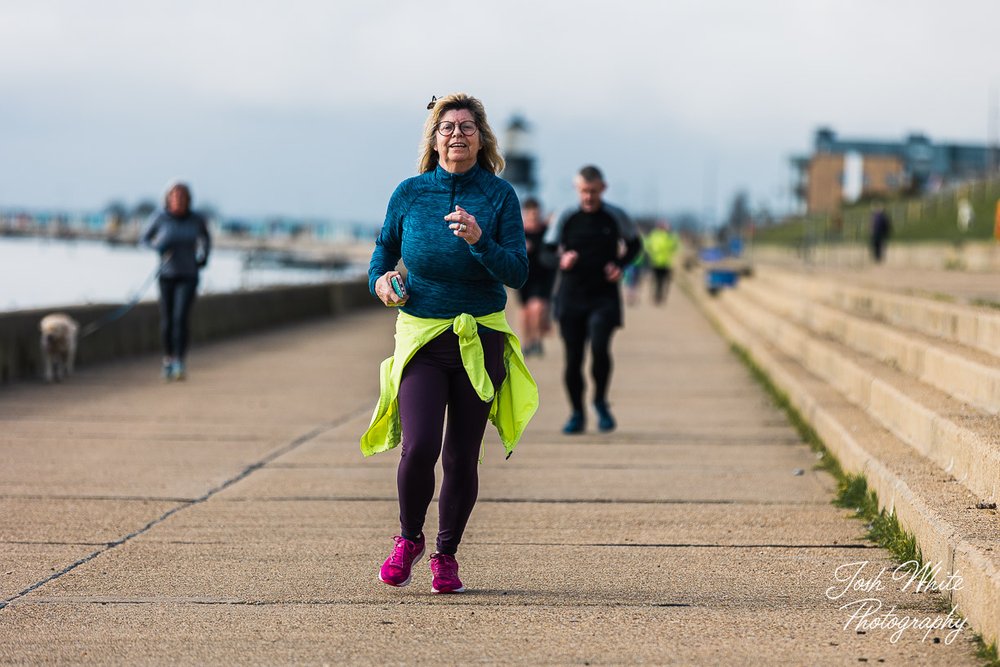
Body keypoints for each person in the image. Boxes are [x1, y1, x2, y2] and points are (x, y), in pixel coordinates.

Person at [361, 93, 538, 595]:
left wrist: (481, 240)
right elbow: (383, 252)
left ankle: (445, 554)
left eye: (466, 127)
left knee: (460, 456)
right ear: (434, 139)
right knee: (418, 448)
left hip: (480, 339)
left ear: (481, 138)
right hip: (423, 335)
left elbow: (518, 273)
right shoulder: (411, 193)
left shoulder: (499, 196)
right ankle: (408, 538)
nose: (456, 134)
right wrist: (380, 281)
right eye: (447, 127)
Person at [544, 165, 642, 434]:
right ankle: (576, 412)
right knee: (573, 359)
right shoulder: (566, 215)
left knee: (600, 348)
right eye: (584, 191)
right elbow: (546, 251)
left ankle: (599, 401)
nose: (588, 197)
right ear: (577, 189)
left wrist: (620, 265)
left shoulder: (615, 216)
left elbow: (635, 244)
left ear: (603, 188)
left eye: (594, 191)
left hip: (604, 296)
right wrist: (560, 260)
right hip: (571, 296)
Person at [142, 181, 210, 381]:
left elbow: (206, 239)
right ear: (168, 199)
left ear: (188, 199)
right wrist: (158, 247)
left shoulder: (196, 219)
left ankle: (180, 361)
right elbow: (144, 239)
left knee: (181, 318)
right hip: (166, 274)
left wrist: (203, 257)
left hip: (189, 274)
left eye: (182, 196)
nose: (178, 200)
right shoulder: (160, 218)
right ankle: (168, 360)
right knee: (167, 320)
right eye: (174, 196)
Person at [517, 197, 556, 356]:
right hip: (524, 276)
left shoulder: (546, 230)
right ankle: (527, 342)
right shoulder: (519, 232)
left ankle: (537, 340)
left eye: (536, 213)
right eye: (530, 213)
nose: (533, 216)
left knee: (538, 308)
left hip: (543, 276)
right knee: (526, 311)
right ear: (525, 213)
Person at [644, 221, 681, 305]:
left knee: (663, 281)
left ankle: (659, 297)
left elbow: (675, 246)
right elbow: (647, 245)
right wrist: (652, 253)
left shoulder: (670, 236)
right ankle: (656, 296)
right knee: (656, 280)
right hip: (656, 261)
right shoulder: (655, 235)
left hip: (666, 262)